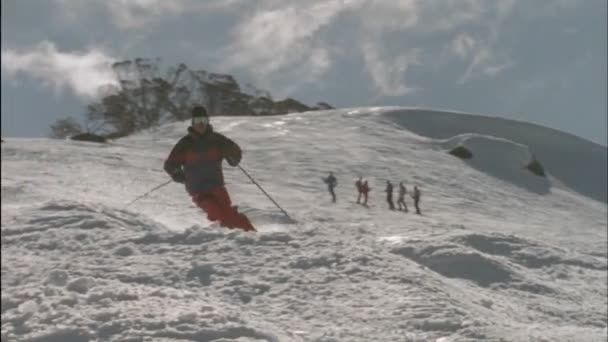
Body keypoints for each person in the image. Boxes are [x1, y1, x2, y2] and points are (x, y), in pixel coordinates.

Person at [164, 105, 256, 232]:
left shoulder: (217, 140)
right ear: (192, 123)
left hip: (216, 185)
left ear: (208, 121)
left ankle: (247, 234)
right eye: (197, 121)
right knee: (217, 212)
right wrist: (177, 174)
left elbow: (235, 152)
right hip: (198, 190)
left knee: (227, 212)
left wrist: (232, 156)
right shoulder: (185, 144)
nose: (200, 124)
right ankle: (241, 235)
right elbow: (170, 164)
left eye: (203, 120)